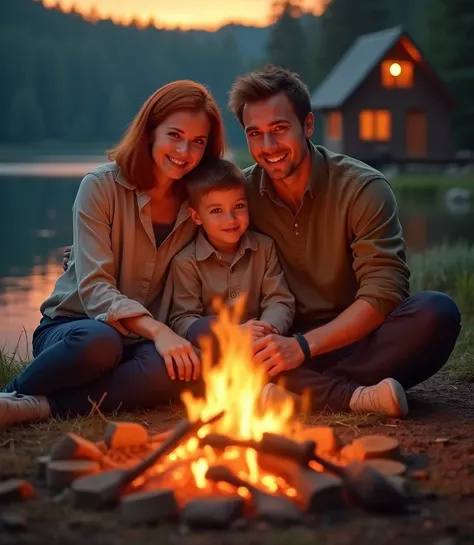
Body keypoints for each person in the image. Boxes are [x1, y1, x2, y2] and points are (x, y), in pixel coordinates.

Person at [226, 64, 461, 417]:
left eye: (279, 129)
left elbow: (384, 292)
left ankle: (302, 392)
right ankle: (356, 396)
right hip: (282, 338)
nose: (268, 146)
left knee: (436, 313)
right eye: (255, 134)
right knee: (234, 351)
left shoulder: (363, 188)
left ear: (307, 126)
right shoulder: (240, 197)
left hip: (357, 337)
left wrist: (303, 349)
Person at [0, 81, 225, 427]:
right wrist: (159, 331)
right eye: (175, 135)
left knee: (179, 369)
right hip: (75, 328)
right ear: (150, 131)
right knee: (101, 343)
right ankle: (14, 394)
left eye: (198, 142)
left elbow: (243, 194)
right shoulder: (100, 187)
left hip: (141, 342)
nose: (185, 151)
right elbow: (94, 289)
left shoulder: (201, 205)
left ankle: (41, 406)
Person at [165, 158, 295, 346]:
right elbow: (183, 319)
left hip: (261, 347)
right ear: (196, 216)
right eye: (217, 210)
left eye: (239, 206)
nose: (231, 219)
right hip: (213, 353)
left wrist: (267, 330)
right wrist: (230, 333)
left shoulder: (265, 248)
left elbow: (279, 300)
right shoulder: (186, 262)